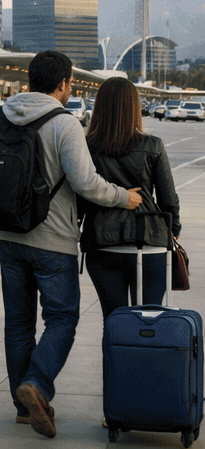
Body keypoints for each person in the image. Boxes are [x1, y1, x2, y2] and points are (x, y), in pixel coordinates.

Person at [0, 50, 142, 438]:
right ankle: (37, 384)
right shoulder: (64, 123)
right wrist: (125, 197)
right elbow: (87, 183)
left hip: (7, 236)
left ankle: (24, 408)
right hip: (52, 240)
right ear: (64, 83)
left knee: (18, 322)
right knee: (63, 318)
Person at [81, 76, 180, 317]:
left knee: (113, 321)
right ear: (134, 107)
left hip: (102, 243)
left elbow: (81, 195)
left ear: (100, 107)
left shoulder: (86, 147)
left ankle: (113, 356)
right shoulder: (153, 145)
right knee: (147, 323)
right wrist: (173, 229)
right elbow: (168, 199)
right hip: (149, 242)